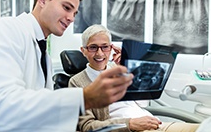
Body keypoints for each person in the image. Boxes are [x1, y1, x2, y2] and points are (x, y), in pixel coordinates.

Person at [0, 0, 133, 131]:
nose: (71, 18)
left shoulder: (43, 54)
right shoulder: (4, 30)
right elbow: (1, 107)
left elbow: (43, 114)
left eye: (75, 13)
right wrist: (84, 98)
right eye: (66, 8)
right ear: (43, 0)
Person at [68, 24, 200, 132]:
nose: (100, 53)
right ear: (83, 50)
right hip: (130, 129)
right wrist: (130, 124)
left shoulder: (118, 69)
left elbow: (143, 103)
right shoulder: (77, 82)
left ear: (111, 48)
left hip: (154, 123)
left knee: (203, 128)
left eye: (105, 47)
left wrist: (129, 70)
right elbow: (88, 127)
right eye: (93, 47)